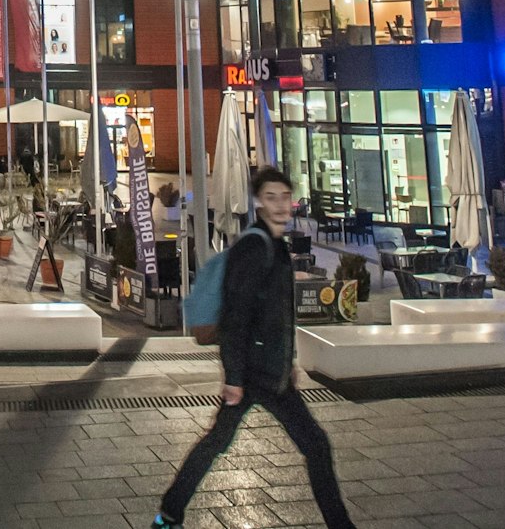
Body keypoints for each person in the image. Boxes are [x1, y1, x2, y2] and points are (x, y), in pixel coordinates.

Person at [149, 167, 358, 529]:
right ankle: (168, 515)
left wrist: (287, 360)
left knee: (295, 445)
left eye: (284, 197)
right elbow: (236, 315)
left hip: (270, 370)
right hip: (251, 373)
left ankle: (168, 514)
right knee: (306, 445)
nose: (280, 205)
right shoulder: (254, 246)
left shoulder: (276, 245)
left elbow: (275, 313)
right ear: (260, 202)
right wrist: (233, 377)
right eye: (271, 197)